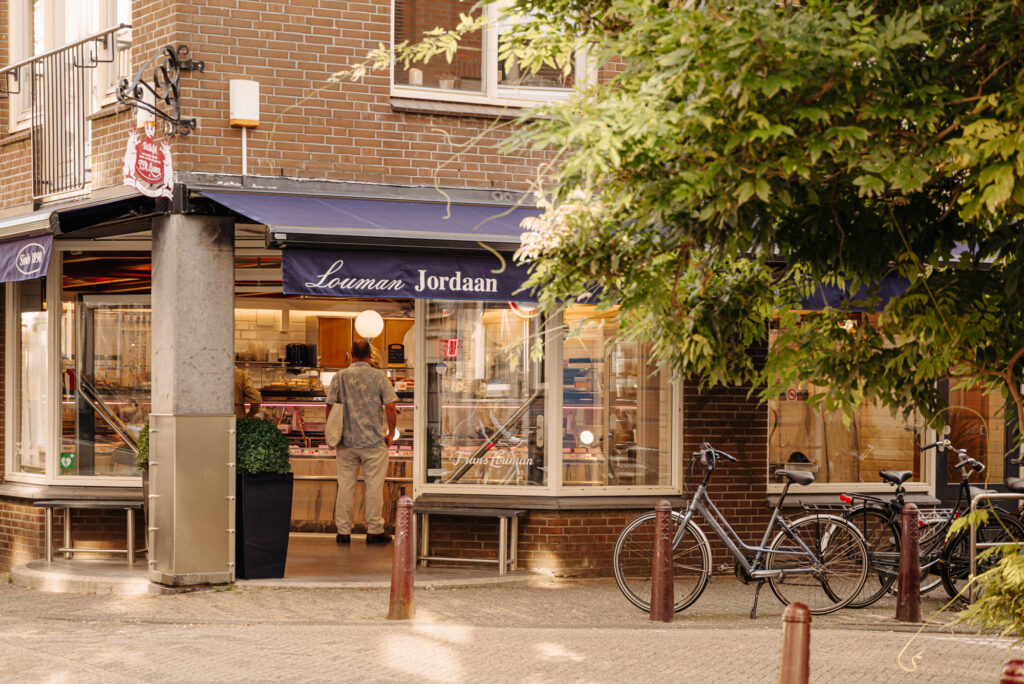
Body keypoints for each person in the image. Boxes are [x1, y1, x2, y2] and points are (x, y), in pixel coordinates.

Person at [326, 339, 398, 544]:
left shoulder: (339, 376)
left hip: (346, 443)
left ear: (352, 355)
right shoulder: (379, 376)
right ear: (370, 355)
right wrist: (391, 433)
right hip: (373, 442)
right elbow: (390, 407)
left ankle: (343, 532)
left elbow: (329, 406)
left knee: (345, 486)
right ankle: (374, 530)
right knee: (374, 486)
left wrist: (332, 434)